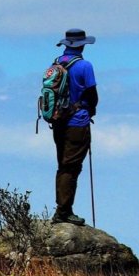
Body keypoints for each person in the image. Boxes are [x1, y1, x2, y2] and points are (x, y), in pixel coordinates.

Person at [51, 28, 99, 225]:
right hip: (77, 123)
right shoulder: (84, 66)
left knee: (63, 165)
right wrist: (90, 111)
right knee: (71, 167)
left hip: (58, 122)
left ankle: (62, 209)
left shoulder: (55, 64)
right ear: (82, 45)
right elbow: (92, 95)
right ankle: (64, 211)